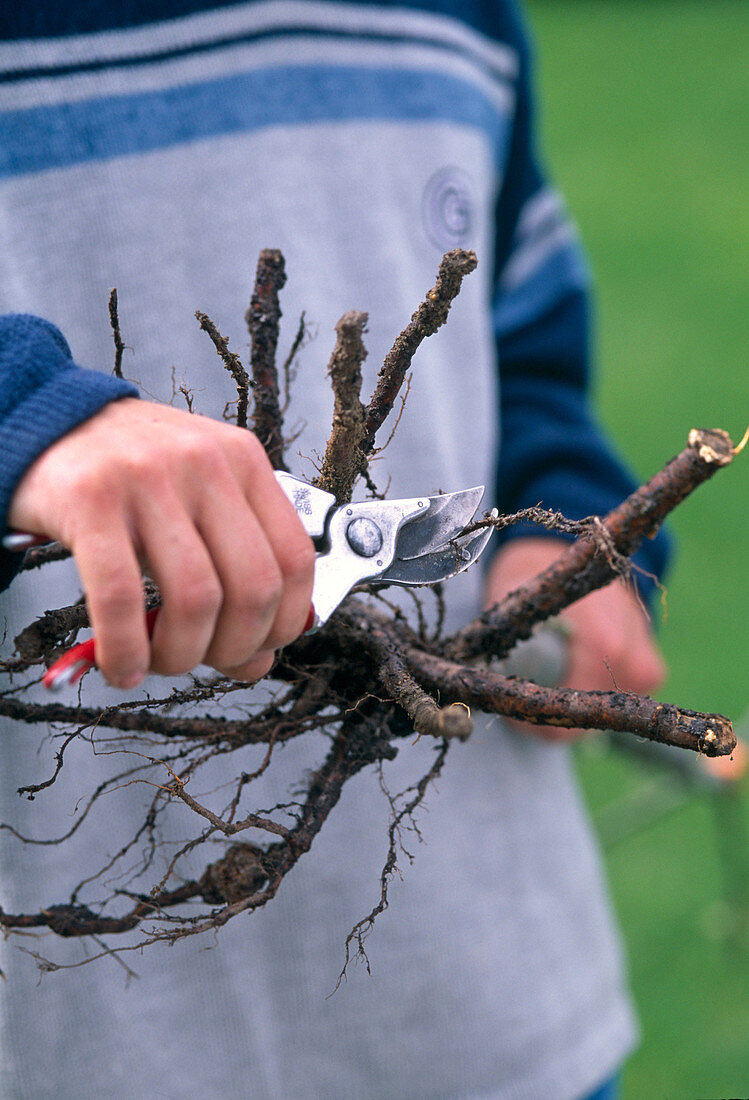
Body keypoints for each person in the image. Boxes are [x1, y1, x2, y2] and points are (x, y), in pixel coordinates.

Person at [0, 1, 668, 1097]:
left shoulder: (462, 20)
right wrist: (22, 410)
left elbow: (529, 359)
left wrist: (565, 535)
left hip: (485, 1000)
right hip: (60, 1035)